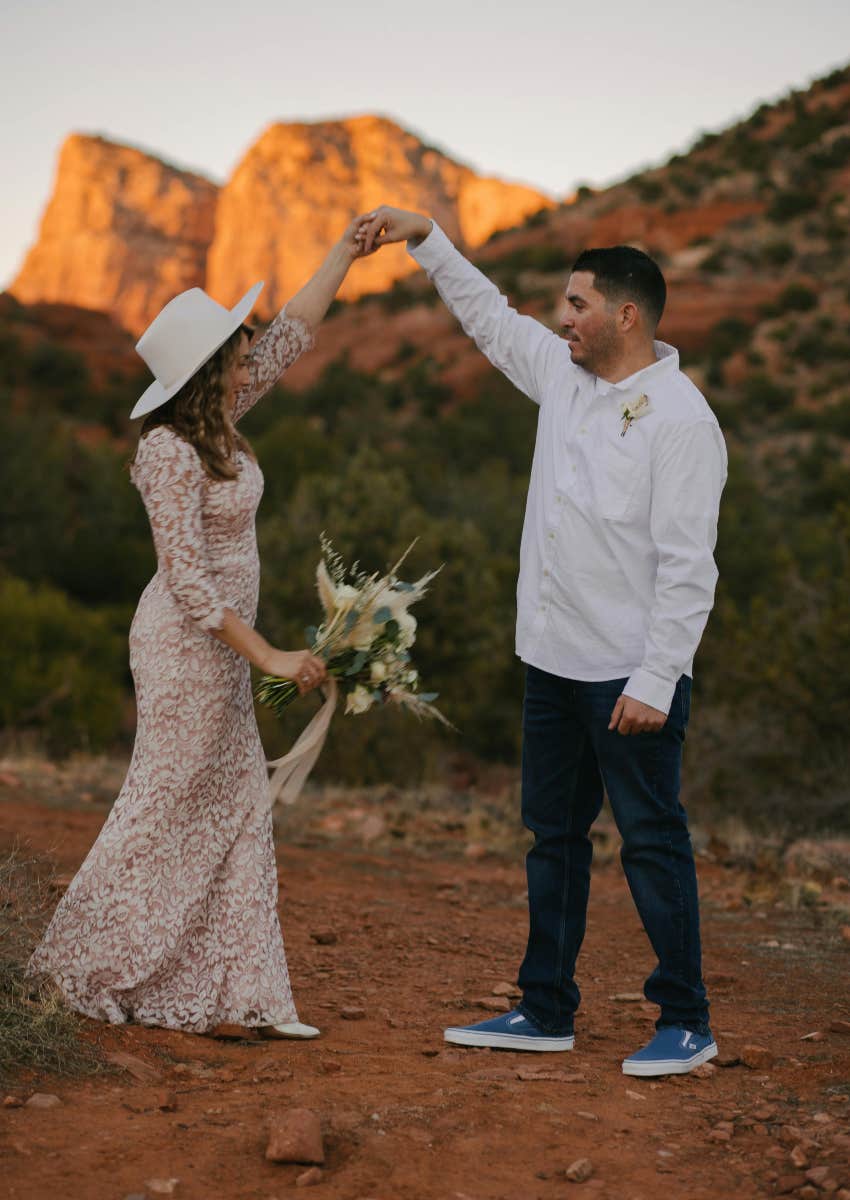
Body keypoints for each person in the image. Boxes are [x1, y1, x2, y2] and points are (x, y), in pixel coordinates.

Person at [356, 207, 727, 1076]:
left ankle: (687, 1020)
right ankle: (545, 1008)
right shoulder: (559, 378)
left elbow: (689, 566)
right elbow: (487, 316)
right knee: (551, 839)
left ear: (625, 315)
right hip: (550, 662)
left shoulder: (680, 419)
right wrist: (426, 237)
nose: (561, 318)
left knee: (651, 840)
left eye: (575, 303)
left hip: (630, 678)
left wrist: (657, 678)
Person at [27, 220, 368, 1039]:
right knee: (167, 797)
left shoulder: (224, 416)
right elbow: (187, 584)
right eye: (239, 353)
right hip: (184, 649)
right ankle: (72, 968)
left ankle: (246, 992)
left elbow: (293, 331)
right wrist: (273, 658)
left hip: (226, 651)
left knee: (237, 800)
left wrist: (345, 254)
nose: (254, 360)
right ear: (210, 369)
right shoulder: (167, 452)